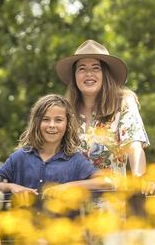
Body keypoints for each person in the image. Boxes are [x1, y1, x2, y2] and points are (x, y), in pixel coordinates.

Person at [55, 40, 149, 178]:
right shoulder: (64, 110)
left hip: (111, 196)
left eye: (95, 68)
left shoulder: (123, 103)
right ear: (74, 77)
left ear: (105, 74)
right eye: (82, 68)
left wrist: (138, 178)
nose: (89, 74)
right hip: (69, 196)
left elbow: (134, 145)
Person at [0, 94, 110, 195]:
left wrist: (67, 187)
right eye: (45, 119)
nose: (51, 125)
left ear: (67, 125)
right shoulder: (19, 158)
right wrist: (12, 186)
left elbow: (104, 182)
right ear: (36, 124)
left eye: (58, 120)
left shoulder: (75, 160)